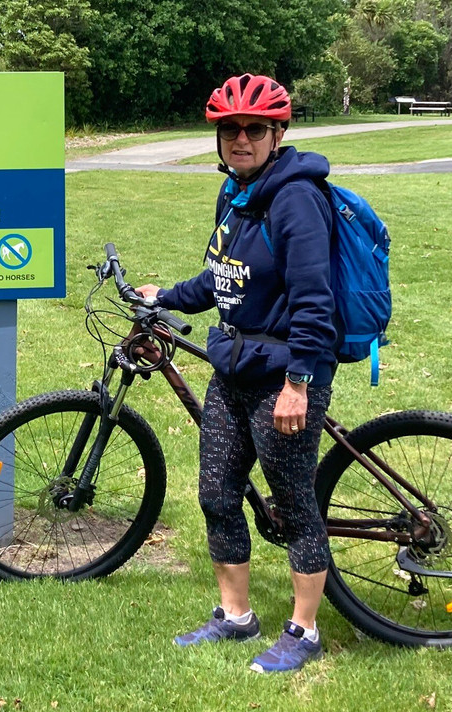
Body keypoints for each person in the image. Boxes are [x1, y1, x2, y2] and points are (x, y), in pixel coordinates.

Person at [136, 74, 337, 673]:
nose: (240, 139)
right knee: (218, 493)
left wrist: (299, 381)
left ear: (278, 134)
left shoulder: (296, 198)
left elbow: (314, 301)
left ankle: (303, 632)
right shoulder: (234, 195)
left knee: (294, 504)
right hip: (233, 368)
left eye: (254, 129)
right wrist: (166, 296)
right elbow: (222, 277)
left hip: (283, 374)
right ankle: (236, 615)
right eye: (230, 129)